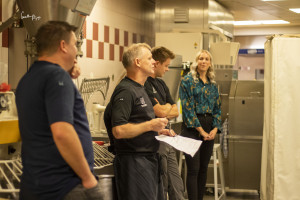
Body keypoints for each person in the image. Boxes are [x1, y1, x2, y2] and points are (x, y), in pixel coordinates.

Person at [16, 21, 101, 200]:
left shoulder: (28, 79)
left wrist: (67, 73)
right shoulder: (56, 76)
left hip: (35, 185)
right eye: (74, 44)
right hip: (64, 187)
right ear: (63, 46)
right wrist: (88, 178)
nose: (76, 51)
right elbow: (62, 132)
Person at [104, 43, 175, 200]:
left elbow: (138, 124)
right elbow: (119, 130)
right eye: (149, 58)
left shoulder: (140, 88)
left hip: (149, 160)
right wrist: (150, 125)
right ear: (137, 62)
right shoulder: (126, 90)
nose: (154, 62)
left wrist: (157, 131)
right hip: (134, 163)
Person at [179, 50, 221, 200]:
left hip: (209, 126)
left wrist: (215, 129)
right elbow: (187, 108)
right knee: (193, 170)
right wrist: (201, 131)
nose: (203, 61)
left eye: (207, 59)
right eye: (201, 58)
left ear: (210, 63)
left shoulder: (213, 84)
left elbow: (217, 108)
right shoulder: (187, 81)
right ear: (196, 62)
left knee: (204, 169)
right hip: (191, 128)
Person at [144, 46, 185, 200]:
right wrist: (166, 109)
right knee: (163, 184)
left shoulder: (161, 84)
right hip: (156, 141)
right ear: (157, 63)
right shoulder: (145, 84)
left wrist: (165, 108)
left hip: (168, 139)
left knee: (177, 184)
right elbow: (159, 112)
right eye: (166, 65)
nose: (168, 69)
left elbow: (176, 110)